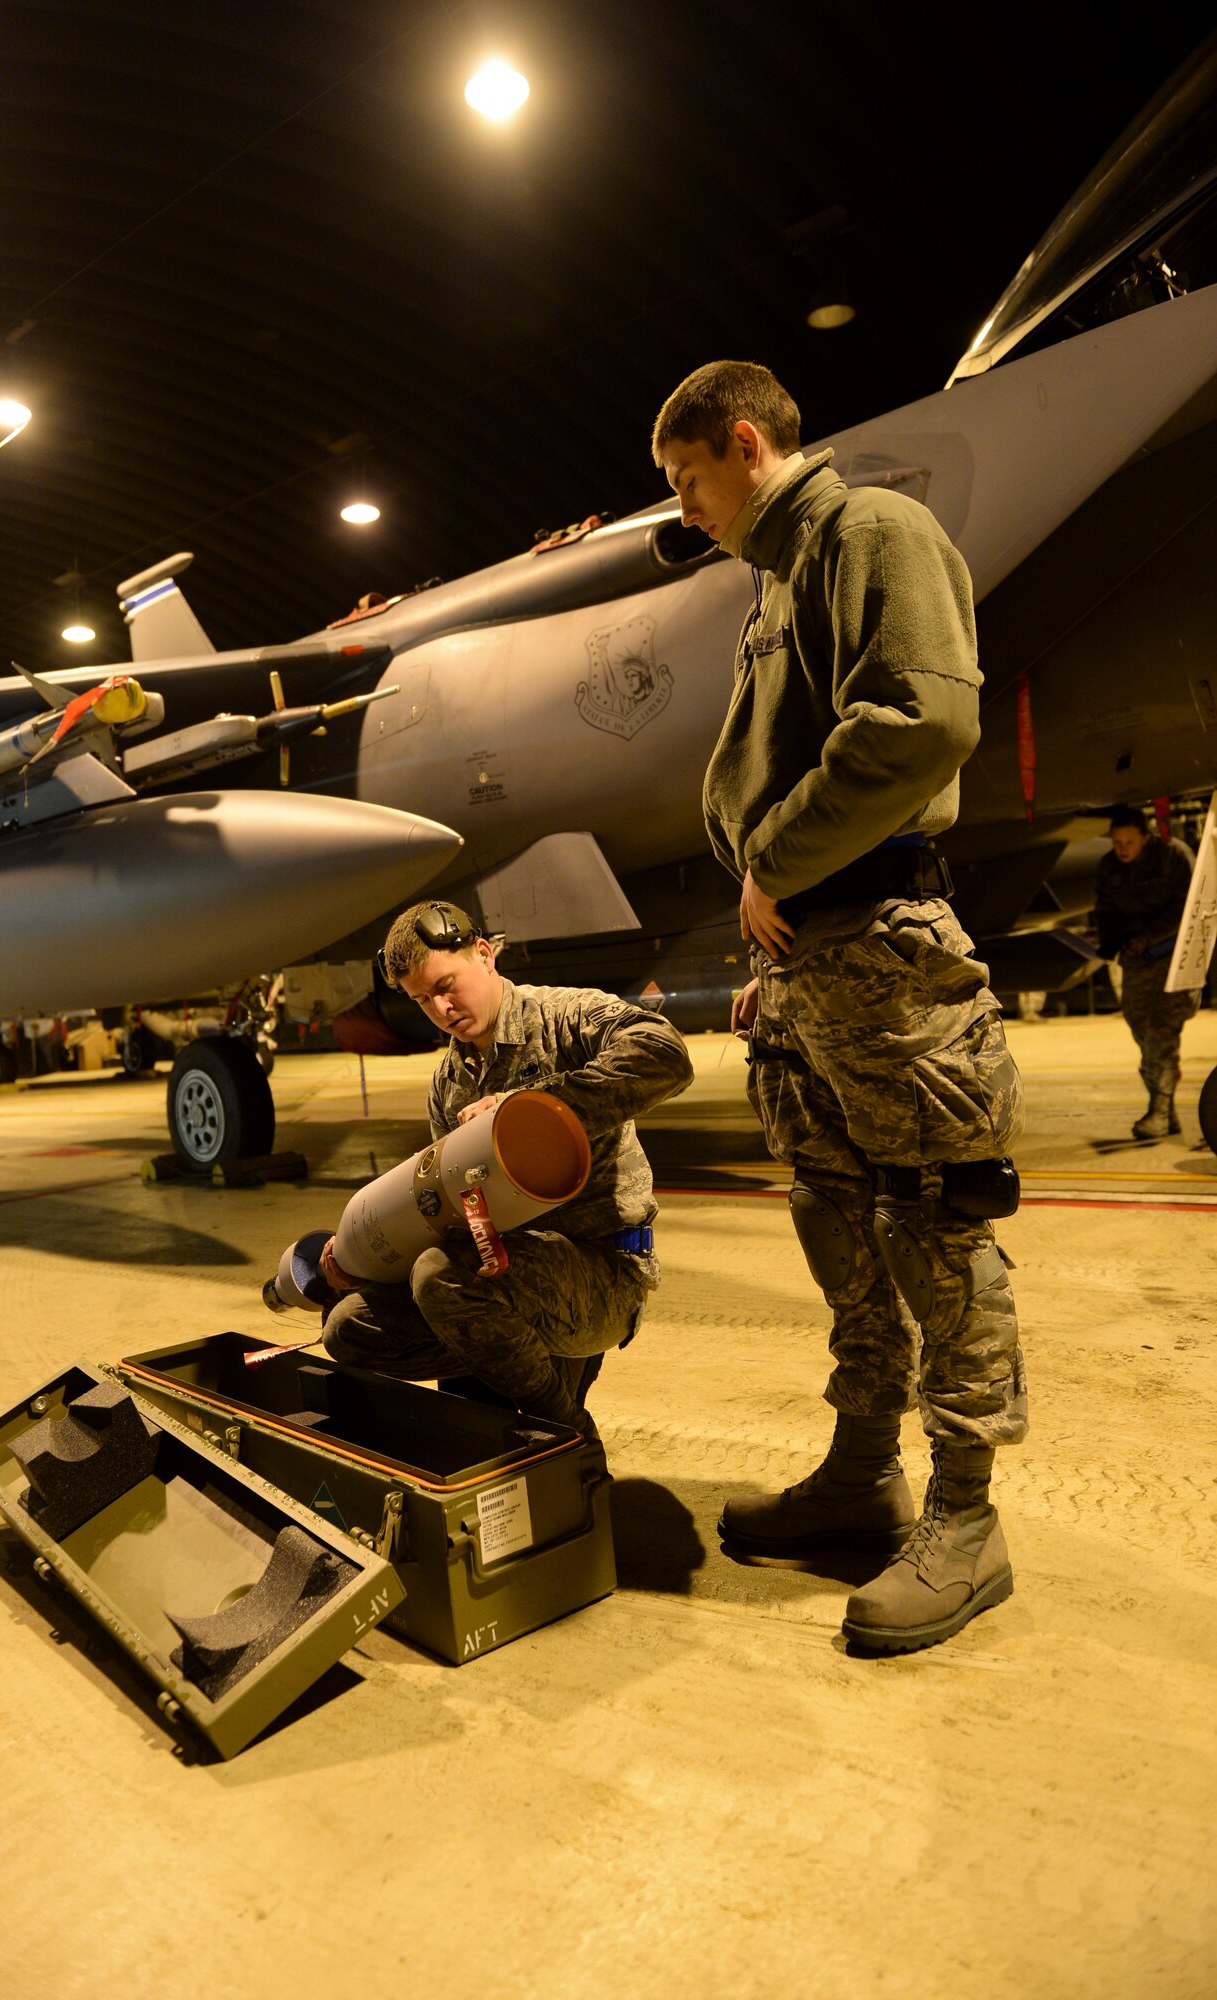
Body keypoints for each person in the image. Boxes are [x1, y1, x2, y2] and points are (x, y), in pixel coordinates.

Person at [652, 358, 1027, 1655]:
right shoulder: (778, 580)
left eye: (688, 479)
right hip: (810, 964)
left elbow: (918, 723)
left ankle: (966, 1520)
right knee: (843, 1230)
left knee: (933, 1223)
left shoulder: (869, 534)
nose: (684, 507)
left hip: (879, 940)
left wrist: (779, 858)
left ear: (742, 445)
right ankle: (864, 1474)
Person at [318, 900, 693, 1434]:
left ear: (485, 954)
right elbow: (446, 1217)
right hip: (499, 1271)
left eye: (447, 984)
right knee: (348, 1325)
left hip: (598, 1269)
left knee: (440, 1279)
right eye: (422, 999)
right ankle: (502, 1395)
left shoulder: (564, 1017)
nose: (441, 1008)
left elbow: (665, 1056)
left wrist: (529, 1110)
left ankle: (564, 1427)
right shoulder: (449, 1084)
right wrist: (363, 1264)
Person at [1093, 804, 1200, 1140]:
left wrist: (1148, 936)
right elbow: (1105, 908)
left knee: (1162, 1034)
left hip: (1172, 957)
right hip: (1136, 960)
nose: (1122, 849)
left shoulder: (1173, 856)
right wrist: (1108, 942)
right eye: (1117, 842)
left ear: (1146, 837)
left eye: (1129, 842)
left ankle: (1158, 1111)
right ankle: (1165, 1111)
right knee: (1141, 1029)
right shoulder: (1109, 866)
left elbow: (1189, 906)